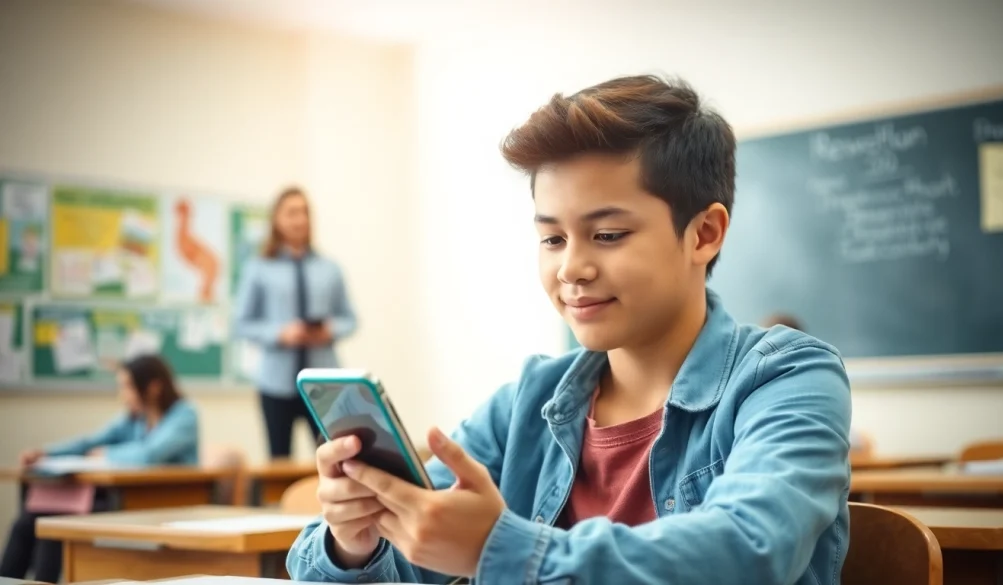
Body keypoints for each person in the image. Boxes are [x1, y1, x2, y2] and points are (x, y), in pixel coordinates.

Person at [287, 75, 852, 584]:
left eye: (606, 235)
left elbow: (746, 552)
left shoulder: (788, 377)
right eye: (553, 238)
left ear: (703, 234)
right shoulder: (528, 403)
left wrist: (497, 548)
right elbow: (392, 555)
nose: (570, 269)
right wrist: (353, 543)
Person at [0, 354, 198, 583]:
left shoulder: (185, 415)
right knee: (27, 521)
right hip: (125, 497)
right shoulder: (136, 418)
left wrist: (108, 453)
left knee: (55, 525)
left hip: (161, 500)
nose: (122, 396)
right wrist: (47, 453)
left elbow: (150, 454)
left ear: (153, 387)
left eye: (128, 387)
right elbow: (92, 441)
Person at [235, 186, 357, 459]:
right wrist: (280, 333)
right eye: (291, 212)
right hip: (275, 384)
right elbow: (242, 323)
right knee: (279, 460)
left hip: (324, 384)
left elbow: (350, 319)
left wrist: (328, 330)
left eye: (304, 212)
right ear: (277, 219)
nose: (299, 219)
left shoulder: (329, 268)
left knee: (336, 458)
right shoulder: (258, 268)